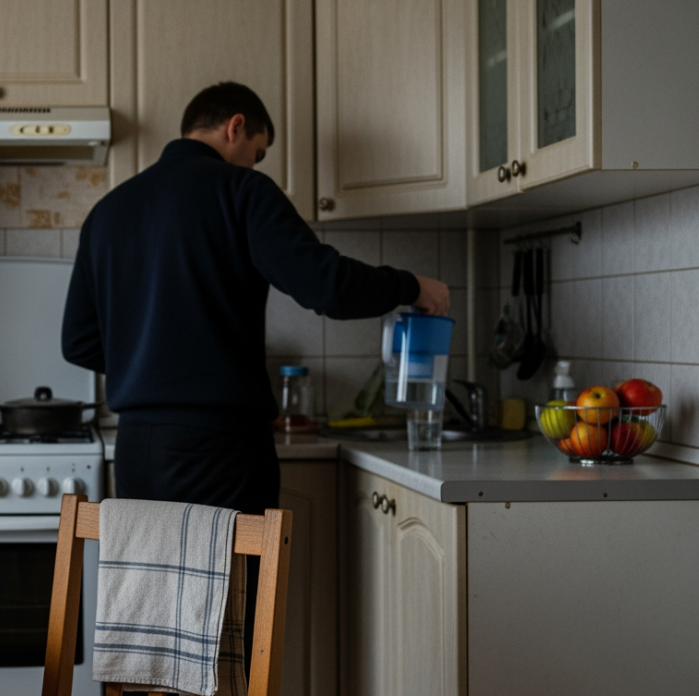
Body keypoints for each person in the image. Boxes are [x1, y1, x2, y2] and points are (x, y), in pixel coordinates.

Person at [61, 81, 449, 671]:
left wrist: (152, 354)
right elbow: (326, 285)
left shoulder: (109, 210)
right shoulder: (241, 190)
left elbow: (79, 342)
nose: (256, 163)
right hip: (221, 452)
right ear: (235, 127)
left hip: (138, 450)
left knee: (152, 633)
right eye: (259, 150)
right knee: (224, 636)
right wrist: (412, 285)